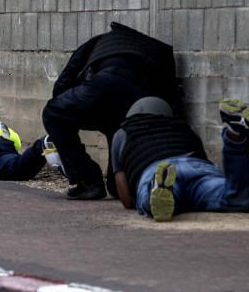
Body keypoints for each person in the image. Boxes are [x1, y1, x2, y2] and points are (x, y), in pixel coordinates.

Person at [42, 21, 182, 201]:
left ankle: (88, 181)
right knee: (113, 131)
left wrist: (66, 106)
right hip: (142, 97)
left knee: (53, 114)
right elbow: (171, 97)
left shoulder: (99, 42)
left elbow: (63, 83)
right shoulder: (155, 52)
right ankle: (123, 185)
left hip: (106, 83)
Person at [111, 97, 249, 222]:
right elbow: (201, 155)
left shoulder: (122, 133)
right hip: (197, 167)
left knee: (150, 201)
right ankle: (235, 134)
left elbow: (125, 198)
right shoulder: (186, 127)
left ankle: (158, 187)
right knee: (237, 199)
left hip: (157, 168)